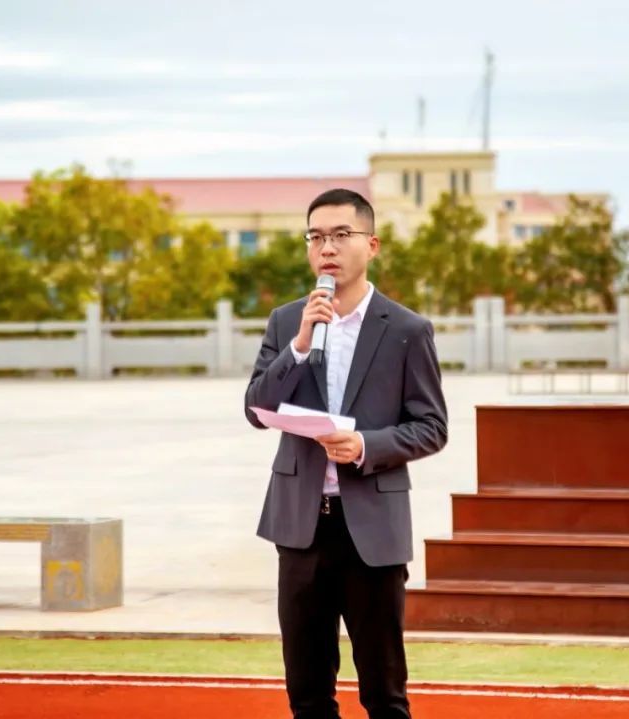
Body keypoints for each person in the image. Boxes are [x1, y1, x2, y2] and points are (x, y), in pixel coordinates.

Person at [244, 188, 448, 719]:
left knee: (384, 692)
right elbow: (256, 408)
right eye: (316, 237)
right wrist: (299, 346)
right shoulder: (287, 321)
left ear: (371, 244)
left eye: (340, 235)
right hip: (301, 526)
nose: (327, 248)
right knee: (308, 692)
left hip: (372, 529)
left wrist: (365, 445)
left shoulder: (406, 330)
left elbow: (432, 427)